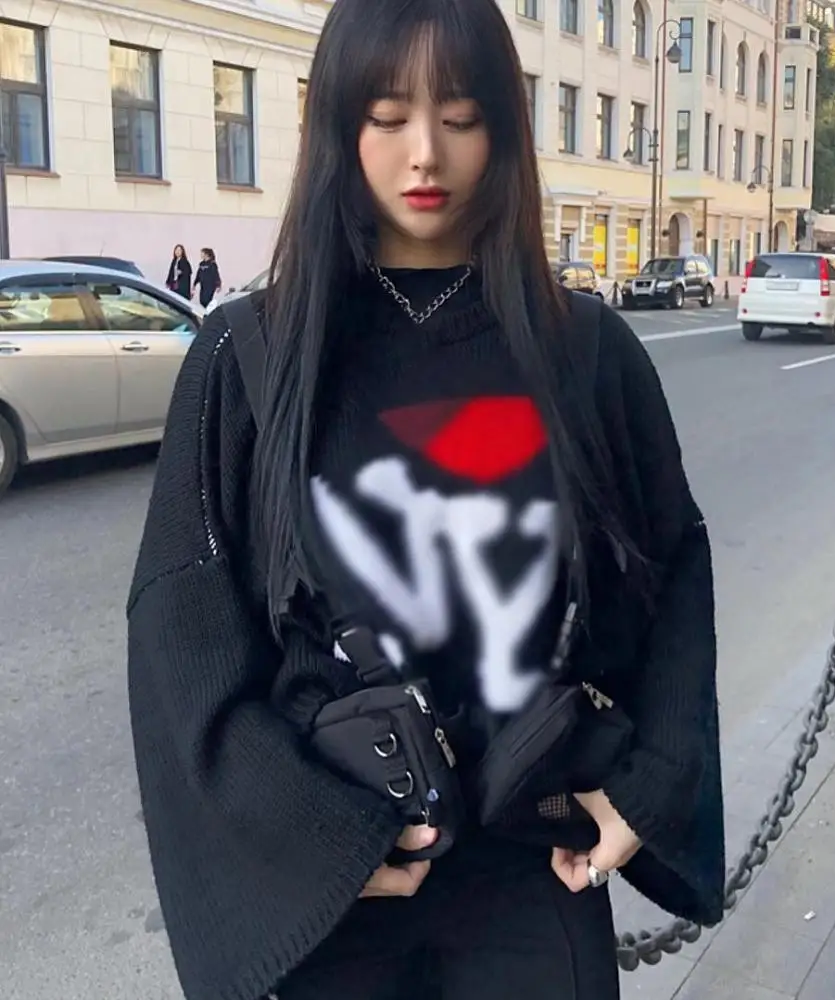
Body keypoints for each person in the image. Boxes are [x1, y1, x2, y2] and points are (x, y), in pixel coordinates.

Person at [125, 2, 723, 999]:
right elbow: (181, 633)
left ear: (502, 128)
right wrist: (314, 841)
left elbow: (673, 569)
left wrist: (651, 781)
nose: (425, 153)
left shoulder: (586, 351)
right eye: (387, 114)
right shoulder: (247, 356)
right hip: (337, 888)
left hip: (534, 871)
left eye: (459, 116)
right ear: (337, 124)